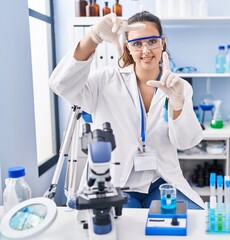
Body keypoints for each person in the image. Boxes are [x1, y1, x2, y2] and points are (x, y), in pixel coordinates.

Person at [49, 11, 204, 209]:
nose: (146, 50)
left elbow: (186, 142)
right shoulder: (106, 80)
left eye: (152, 41)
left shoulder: (178, 86)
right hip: (116, 184)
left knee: (191, 223)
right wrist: (93, 37)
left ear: (162, 42)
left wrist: (177, 102)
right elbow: (60, 84)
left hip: (161, 181)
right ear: (127, 48)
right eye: (137, 44)